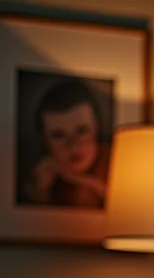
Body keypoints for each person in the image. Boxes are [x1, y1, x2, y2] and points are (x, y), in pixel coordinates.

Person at [20, 77, 110, 207]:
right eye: (58, 135)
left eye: (82, 131)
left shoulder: (122, 164)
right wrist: (39, 194)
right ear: (44, 139)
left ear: (96, 126)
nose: (73, 145)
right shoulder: (39, 178)